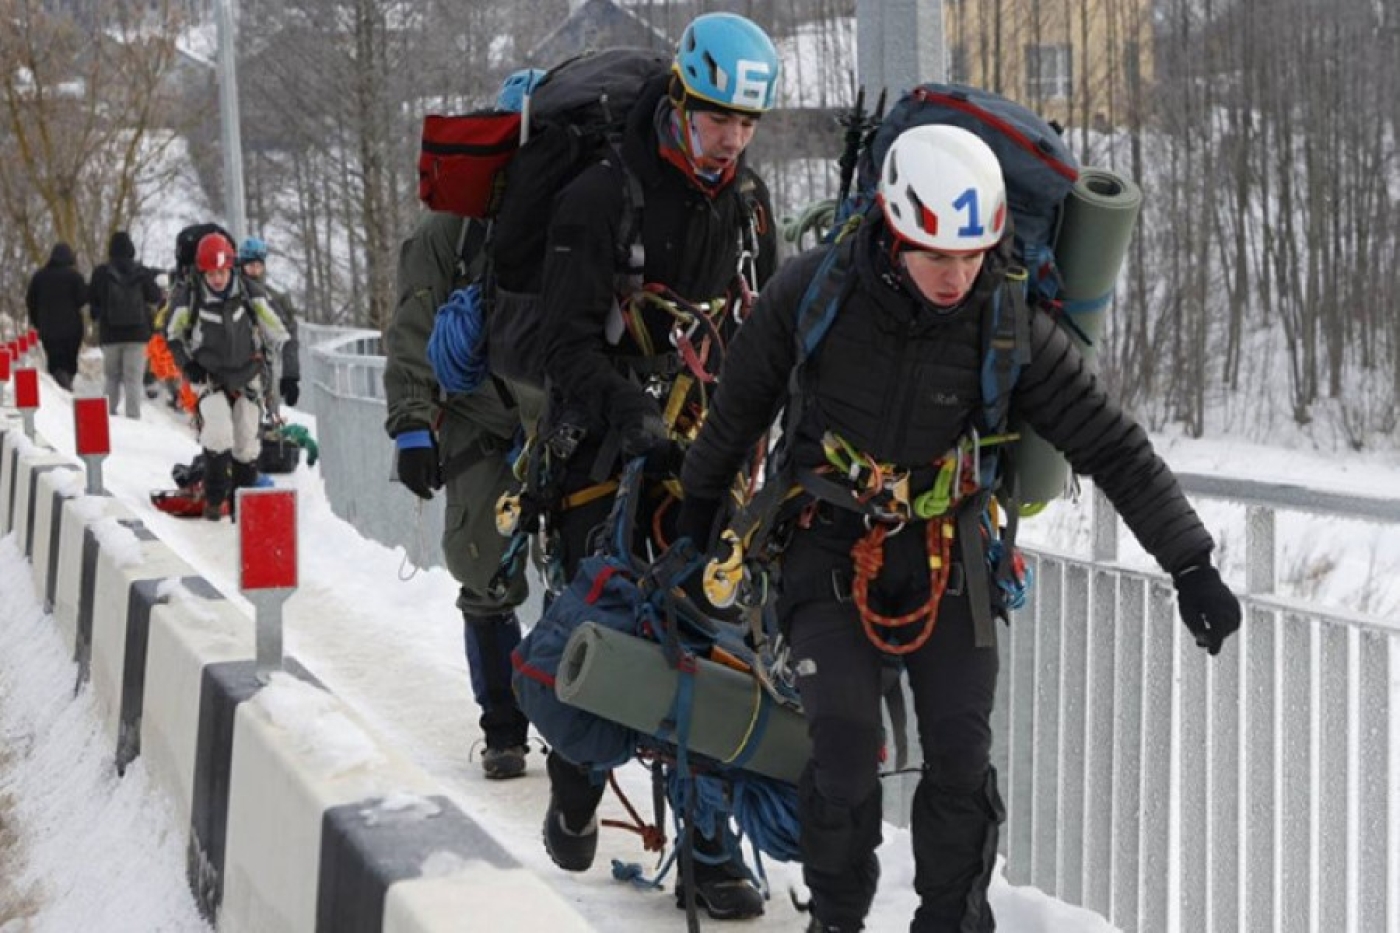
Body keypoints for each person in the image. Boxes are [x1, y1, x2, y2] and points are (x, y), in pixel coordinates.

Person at [676, 125, 1243, 932]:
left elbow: (1110, 441)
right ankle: (835, 919)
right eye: (937, 256)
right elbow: (736, 411)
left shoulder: (1006, 319)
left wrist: (1191, 563)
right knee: (841, 747)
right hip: (826, 544)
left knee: (960, 754)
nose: (956, 277)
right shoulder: (813, 294)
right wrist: (698, 516)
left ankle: (952, 920)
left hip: (950, 557)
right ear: (893, 230)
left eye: (972, 256)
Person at [527, 12, 779, 921]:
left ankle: (707, 848)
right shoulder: (603, 198)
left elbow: (767, 333)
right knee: (608, 627)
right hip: (603, 449)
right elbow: (562, 343)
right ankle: (575, 773)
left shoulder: (747, 209)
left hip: (709, 453)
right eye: (719, 120)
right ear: (682, 99)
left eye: (747, 127)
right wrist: (632, 416)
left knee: (712, 635)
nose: (732, 142)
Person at [382, 67, 549, 781]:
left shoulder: (584, 219)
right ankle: (504, 725)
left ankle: (575, 727)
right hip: (482, 424)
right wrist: (412, 424)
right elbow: (414, 325)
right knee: (483, 573)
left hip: (565, 421)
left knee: (591, 580)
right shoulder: (447, 234)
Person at [165, 232, 289, 521]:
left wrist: (290, 373)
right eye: (212, 273)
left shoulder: (250, 294)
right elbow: (172, 336)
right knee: (219, 432)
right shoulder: (190, 297)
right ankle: (215, 497)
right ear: (202, 271)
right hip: (209, 377)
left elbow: (281, 334)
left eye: (222, 272)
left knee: (246, 441)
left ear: (231, 268)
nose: (218, 279)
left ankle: (241, 507)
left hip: (247, 375)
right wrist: (187, 365)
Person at [89, 231, 161, 418]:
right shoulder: (141, 272)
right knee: (133, 380)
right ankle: (133, 418)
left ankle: (108, 417)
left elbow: (92, 301)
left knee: (111, 377)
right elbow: (155, 296)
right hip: (138, 336)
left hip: (110, 335)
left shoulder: (101, 273)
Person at [237, 237, 301, 408]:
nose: (255, 270)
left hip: (264, 365)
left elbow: (289, 337)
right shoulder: (232, 293)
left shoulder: (275, 298)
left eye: (259, 265)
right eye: (250, 266)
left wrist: (291, 375)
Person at [25, 241, 89, 389]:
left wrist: (36, 322)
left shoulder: (39, 277)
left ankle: (59, 383)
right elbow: (82, 299)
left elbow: (30, 301)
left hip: (48, 328)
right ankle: (66, 380)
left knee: (54, 360)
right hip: (72, 329)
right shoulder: (74, 277)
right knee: (69, 359)